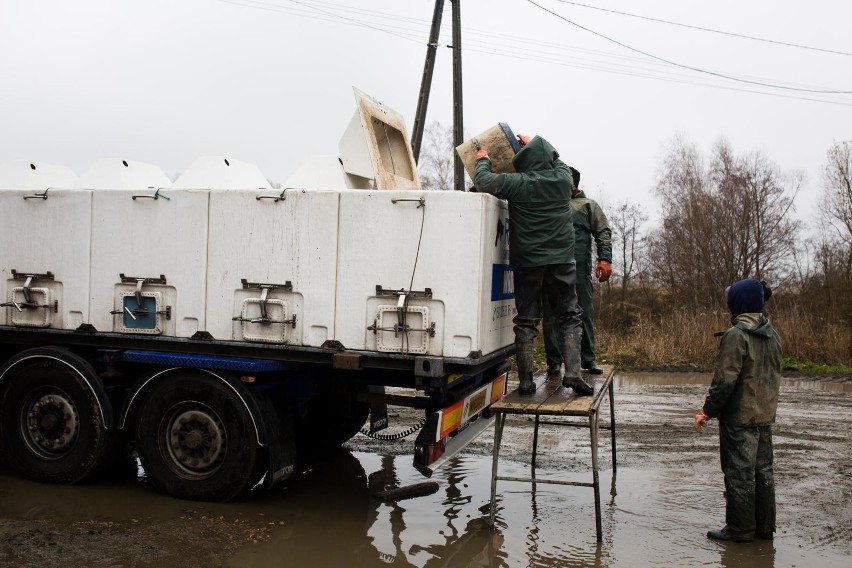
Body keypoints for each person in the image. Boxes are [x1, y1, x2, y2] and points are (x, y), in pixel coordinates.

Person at [473, 134, 593, 396]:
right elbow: (557, 159)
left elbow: (482, 181)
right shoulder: (563, 179)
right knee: (569, 316)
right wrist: (537, 142)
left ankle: (526, 382)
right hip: (561, 259)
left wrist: (483, 160)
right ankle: (572, 373)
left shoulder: (517, 182)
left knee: (526, 321)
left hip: (527, 262)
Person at [694, 278, 780, 543]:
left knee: (739, 473)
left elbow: (724, 381)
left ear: (739, 303)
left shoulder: (736, 335)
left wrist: (707, 411)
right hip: (764, 416)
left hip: (740, 419)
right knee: (763, 471)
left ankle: (740, 529)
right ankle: (764, 528)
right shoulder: (772, 334)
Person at [542, 167, 612, 375]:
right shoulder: (550, 205)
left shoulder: (588, 205)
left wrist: (605, 259)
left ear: (572, 184)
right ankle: (554, 361)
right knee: (550, 314)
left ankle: (588, 359)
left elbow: (603, 231)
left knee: (583, 312)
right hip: (551, 266)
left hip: (579, 268)